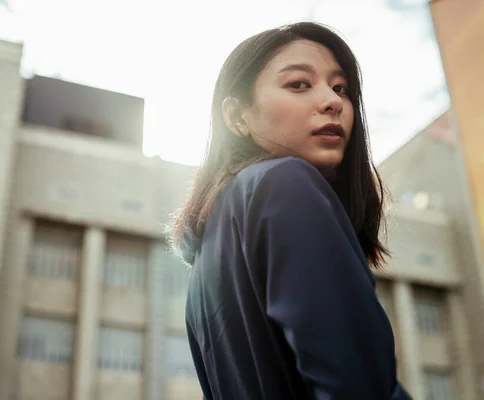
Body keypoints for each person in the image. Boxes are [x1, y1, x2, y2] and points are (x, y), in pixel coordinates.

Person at [168, 22, 412, 399]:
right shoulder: (284, 183)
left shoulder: (210, 250)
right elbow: (358, 387)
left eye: (340, 88)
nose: (332, 101)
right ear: (236, 117)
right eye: (298, 84)